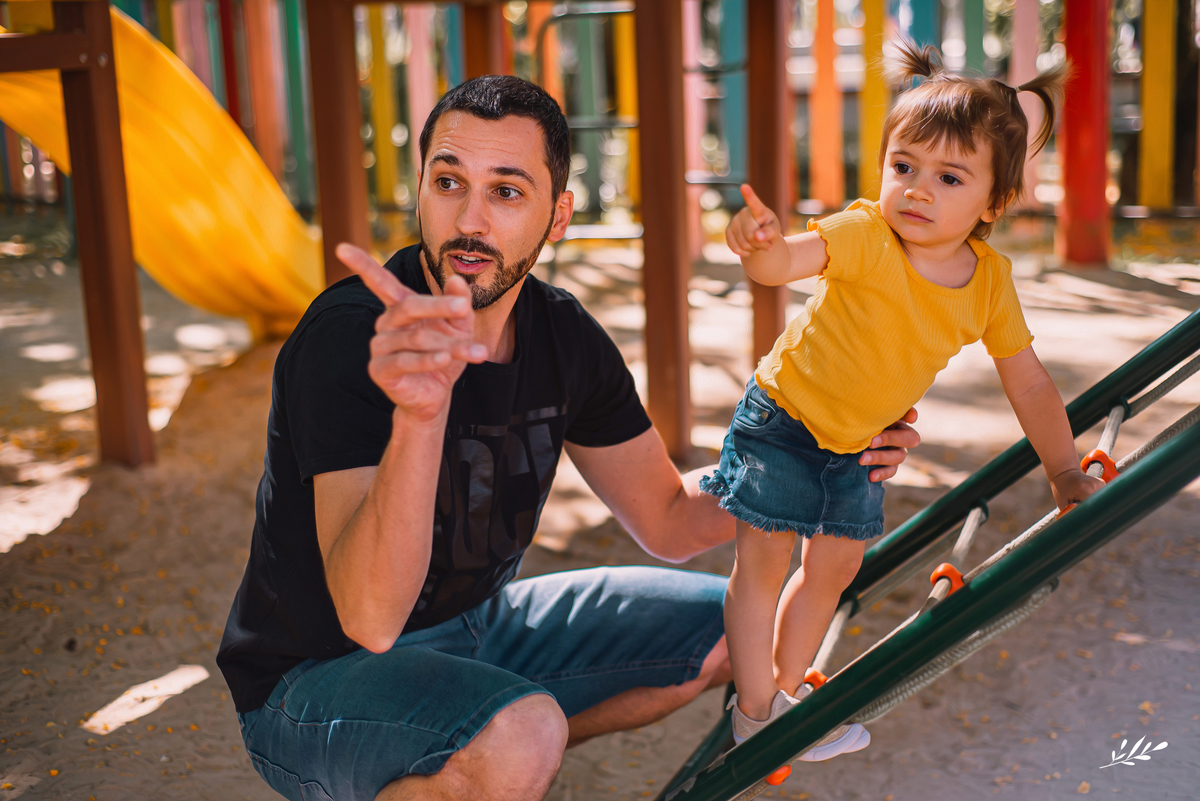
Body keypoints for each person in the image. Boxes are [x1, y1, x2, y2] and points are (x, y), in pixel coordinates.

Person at [216, 75, 918, 801]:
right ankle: (496, 751)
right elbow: (370, 617)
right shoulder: (353, 337)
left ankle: (487, 756)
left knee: (739, 630)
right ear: (420, 190)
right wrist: (419, 415)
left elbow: (670, 519)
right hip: (313, 679)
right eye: (448, 180)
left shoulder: (561, 334)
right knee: (525, 732)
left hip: (479, 626)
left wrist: (823, 453)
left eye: (508, 192)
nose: (471, 219)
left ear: (558, 217)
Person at [707, 43, 1102, 750]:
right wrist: (757, 243)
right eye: (903, 167)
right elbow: (785, 262)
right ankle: (755, 710)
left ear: (997, 200)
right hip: (782, 421)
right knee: (761, 568)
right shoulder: (866, 234)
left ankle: (782, 698)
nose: (917, 190)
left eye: (949, 176)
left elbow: (1030, 381)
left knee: (831, 571)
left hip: (858, 445)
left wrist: (1064, 469)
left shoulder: (988, 281)